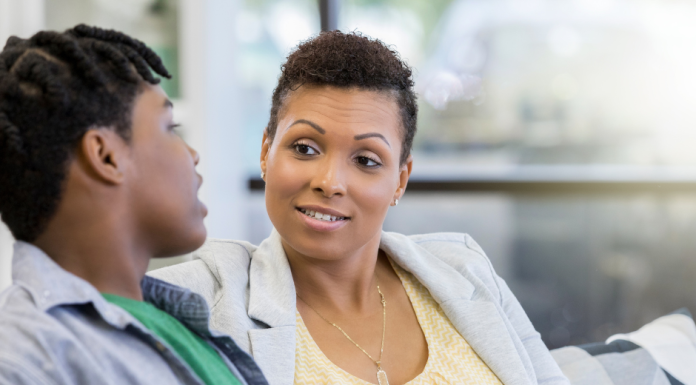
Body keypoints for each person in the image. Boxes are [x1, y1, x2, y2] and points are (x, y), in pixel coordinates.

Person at [151, 31, 570, 385]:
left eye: (367, 160)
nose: (329, 182)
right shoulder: (208, 296)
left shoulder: (464, 270)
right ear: (266, 152)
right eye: (304, 148)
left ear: (400, 180)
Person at [0, 25, 267, 385]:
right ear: (106, 156)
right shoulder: (26, 358)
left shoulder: (174, 321)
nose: (193, 155)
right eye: (170, 127)